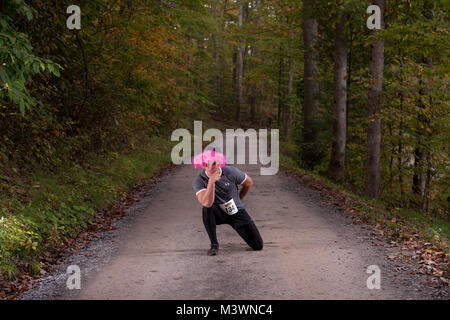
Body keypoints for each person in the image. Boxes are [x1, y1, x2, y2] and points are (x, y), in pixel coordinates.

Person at [192, 149, 263, 256]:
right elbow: (206, 203)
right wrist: (211, 181)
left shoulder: (230, 172)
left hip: (235, 211)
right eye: (207, 164)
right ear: (203, 164)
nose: (211, 167)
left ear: (219, 163)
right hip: (217, 213)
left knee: (258, 246)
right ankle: (214, 245)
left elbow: (249, 183)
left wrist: (240, 197)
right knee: (206, 208)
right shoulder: (199, 180)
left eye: (214, 163)